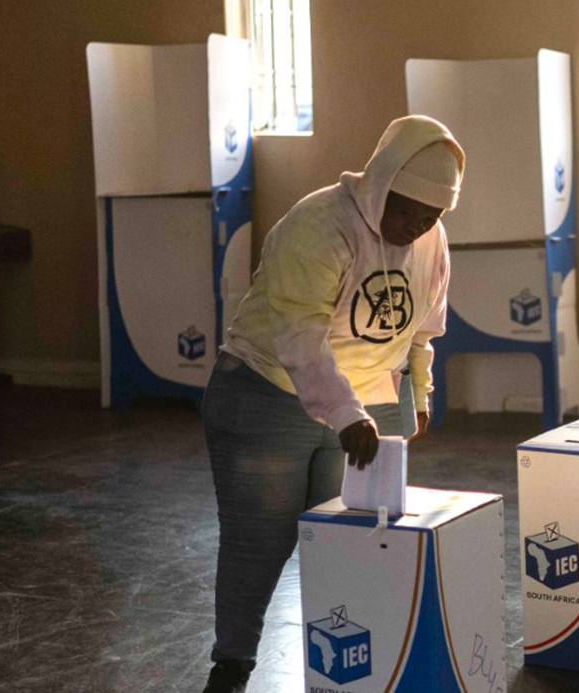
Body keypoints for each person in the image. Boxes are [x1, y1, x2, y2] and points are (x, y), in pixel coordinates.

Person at [199, 115, 462, 693]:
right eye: (410, 209)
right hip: (268, 391)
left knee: (365, 541)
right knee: (260, 543)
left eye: (434, 215)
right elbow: (300, 338)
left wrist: (418, 389)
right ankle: (232, 669)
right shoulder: (319, 224)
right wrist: (346, 415)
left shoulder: (430, 240)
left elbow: (423, 327)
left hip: (369, 399)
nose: (419, 225)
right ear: (381, 182)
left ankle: (361, 672)